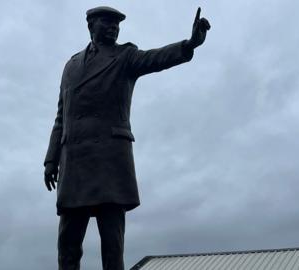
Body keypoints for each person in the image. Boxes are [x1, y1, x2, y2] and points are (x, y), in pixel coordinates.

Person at [44, 6, 210, 270]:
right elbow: (61, 117)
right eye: (107, 22)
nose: (114, 27)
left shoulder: (125, 56)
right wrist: (51, 160)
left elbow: (156, 58)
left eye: (117, 24)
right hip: (74, 163)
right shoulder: (71, 65)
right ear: (91, 26)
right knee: (67, 246)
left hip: (110, 162)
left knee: (112, 247)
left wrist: (189, 44)